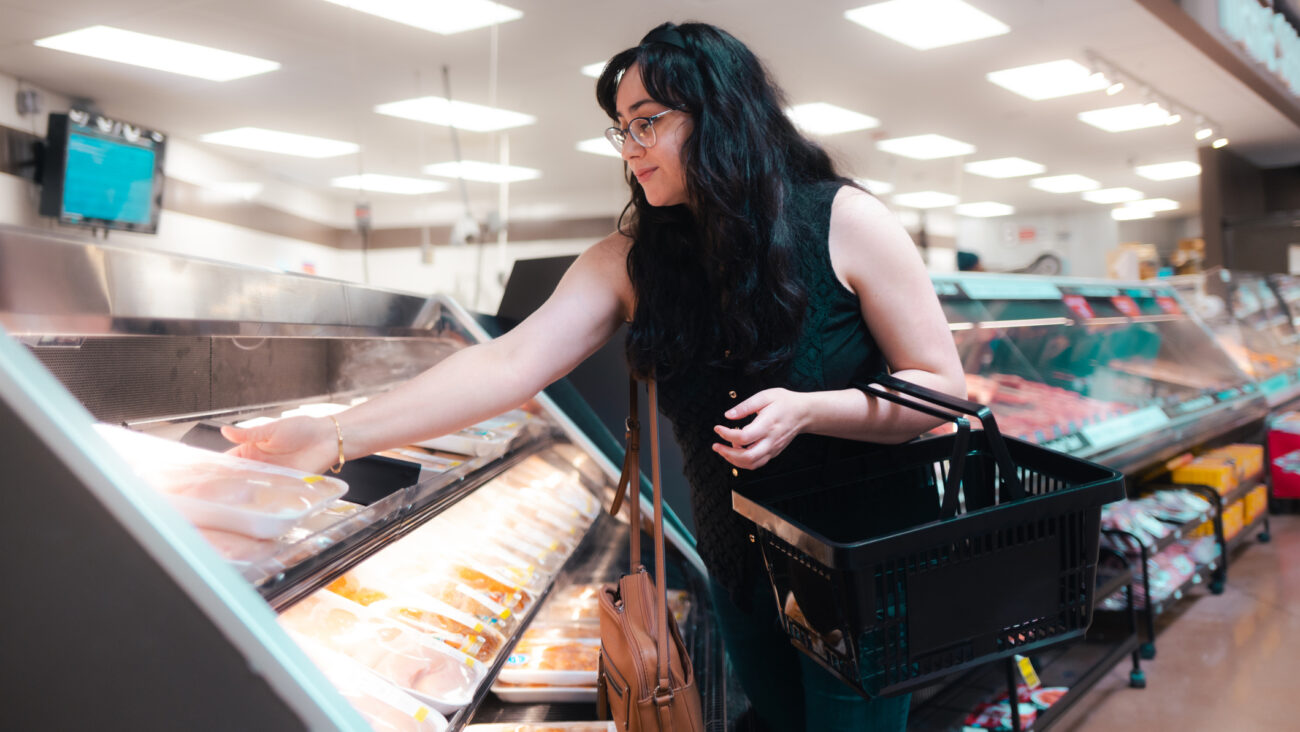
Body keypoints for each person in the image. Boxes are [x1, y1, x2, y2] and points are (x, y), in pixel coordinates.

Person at [223, 21, 964, 732]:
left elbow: (941, 388)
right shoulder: (632, 258)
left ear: (720, 115)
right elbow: (509, 362)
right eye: (622, 127)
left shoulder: (844, 219)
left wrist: (811, 411)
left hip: (860, 563)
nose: (630, 147)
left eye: (648, 121)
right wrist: (332, 433)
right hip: (740, 565)